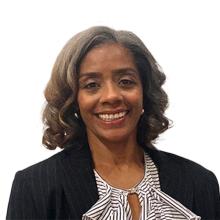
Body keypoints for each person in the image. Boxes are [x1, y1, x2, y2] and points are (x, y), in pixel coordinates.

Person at [7, 26, 220, 220]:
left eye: (126, 82)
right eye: (91, 85)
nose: (111, 96)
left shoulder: (200, 183)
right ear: (73, 99)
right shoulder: (35, 187)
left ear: (144, 91)